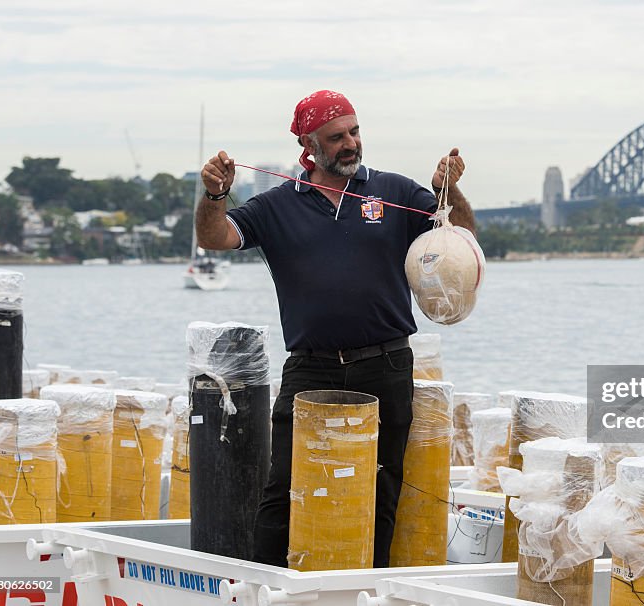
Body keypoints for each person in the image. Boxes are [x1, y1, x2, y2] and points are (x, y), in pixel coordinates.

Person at [196, 89, 475, 568]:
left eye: (354, 132)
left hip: (385, 363)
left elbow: (462, 238)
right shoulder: (276, 204)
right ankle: (266, 589)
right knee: (283, 487)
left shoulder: (396, 190)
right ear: (309, 145)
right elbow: (214, 237)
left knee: (382, 486)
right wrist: (216, 195)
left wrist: (449, 190)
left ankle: (370, 589)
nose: (350, 144)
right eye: (336, 137)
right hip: (311, 368)